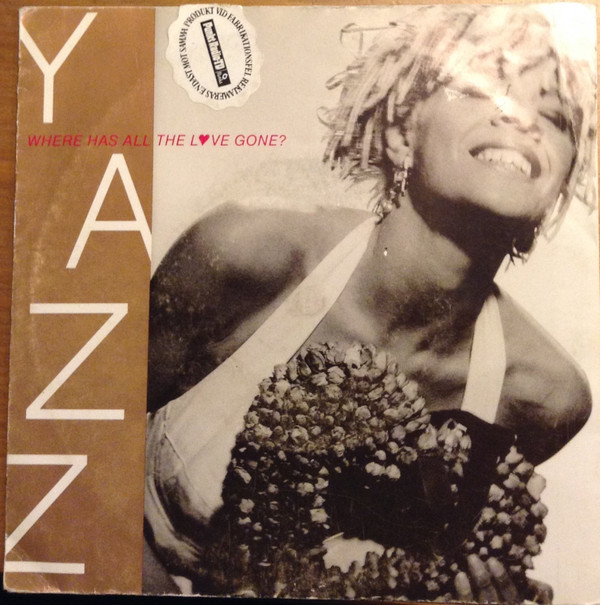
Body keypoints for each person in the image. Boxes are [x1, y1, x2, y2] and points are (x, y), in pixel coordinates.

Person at [143, 5, 596, 601]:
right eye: (479, 86)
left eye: (555, 116)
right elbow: (74, 452)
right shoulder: (246, 252)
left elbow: (393, 575)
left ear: (558, 182)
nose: (521, 118)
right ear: (401, 132)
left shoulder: (542, 395)